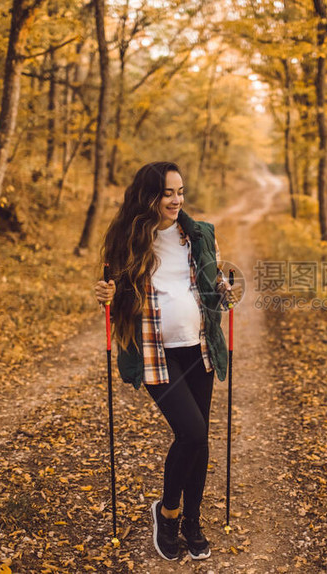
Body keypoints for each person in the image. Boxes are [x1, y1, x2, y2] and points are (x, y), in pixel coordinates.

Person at [94, 161, 237, 561]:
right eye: (168, 193)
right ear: (149, 197)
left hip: (199, 347)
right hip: (156, 352)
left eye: (180, 192)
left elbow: (212, 289)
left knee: (200, 439)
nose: (176, 200)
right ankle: (168, 512)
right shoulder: (127, 241)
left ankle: (192, 520)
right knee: (190, 432)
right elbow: (113, 290)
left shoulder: (199, 234)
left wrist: (225, 290)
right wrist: (104, 295)